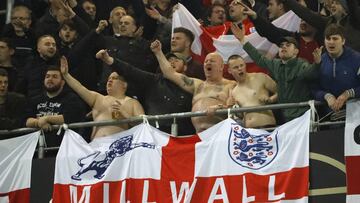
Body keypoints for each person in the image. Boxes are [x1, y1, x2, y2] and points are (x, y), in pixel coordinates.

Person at [232, 23, 321, 122]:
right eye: (281, 45)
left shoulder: (302, 64)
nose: (283, 47)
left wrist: (317, 64)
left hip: (303, 116)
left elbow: (311, 74)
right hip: (285, 117)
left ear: (296, 51)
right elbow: (259, 58)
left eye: (288, 45)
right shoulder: (275, 64)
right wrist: (242, 40)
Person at [96, 48, 195, 135]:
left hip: (183, 138)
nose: (171, 63)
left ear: (185, 66)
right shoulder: (153, 81)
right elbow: (130, 71)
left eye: (176, 60)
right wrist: (109, 60)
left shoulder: (193, 85)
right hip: (154, 137)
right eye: (168, 61)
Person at [151, 40, 235, 133]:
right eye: (206, 61)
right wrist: (158, 52)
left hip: (221, 132)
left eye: (212, 61)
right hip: (198, 134)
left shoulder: (230, 85)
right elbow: (170, 73)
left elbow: (236, 109)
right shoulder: (197, 85)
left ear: (221, 66)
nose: (208, 63)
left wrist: (220, 108)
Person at [60, 56, 144, 140]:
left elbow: (144, 125)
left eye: (114, 78)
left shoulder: (133, 102)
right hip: (96, 147)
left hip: (120, 147)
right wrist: (66, 75)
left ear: (124, 85)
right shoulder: (98, 98)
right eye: (109, 79)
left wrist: (126, 115)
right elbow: (80, 88)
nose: (110, 80)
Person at [25, 66, 85, 148]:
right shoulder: (35, 99)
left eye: (55, 77)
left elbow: (69, 118)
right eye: (47, 76)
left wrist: (46, 119)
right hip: (36, 148)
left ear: (63, 82)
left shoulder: (71, 98)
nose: (50, 79)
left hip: (63, 147)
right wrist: (38, 122)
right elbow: (27, 120)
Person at [314, 24, 360, 114]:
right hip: (328, 116)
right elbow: (313, 88)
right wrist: (326, 96)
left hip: (355, 115)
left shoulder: (357, 59)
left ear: (343, 41)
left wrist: (348, 94)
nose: (331, 42)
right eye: (328, 38)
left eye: (335, 39)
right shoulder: (320, 61)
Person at [227, 55, 278, 128]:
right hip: (249, 131)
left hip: (266, 126)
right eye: (236, 67)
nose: (240, 69)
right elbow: (241, 115)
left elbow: (281, 92)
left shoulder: (260, 77)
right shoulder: (234, 92)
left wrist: (271, 99)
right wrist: (233, 108)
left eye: (241, 65)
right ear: (229, 71)